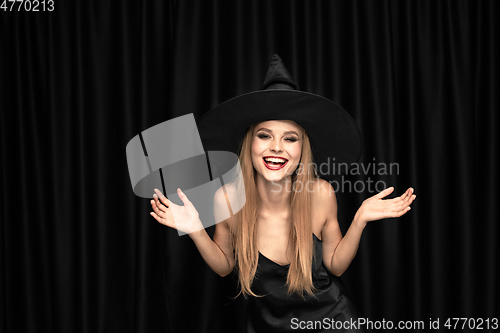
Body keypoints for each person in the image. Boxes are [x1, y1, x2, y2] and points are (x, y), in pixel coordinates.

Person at [149, 55, 416, 332]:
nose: (277, 147)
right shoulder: (227, 199)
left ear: (302, 151)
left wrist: (360, 219)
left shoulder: (320, 193)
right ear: (249, 144)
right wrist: (195, 229)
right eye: (265, 135)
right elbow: (225, 266)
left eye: (290, 138)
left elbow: (335, 266)